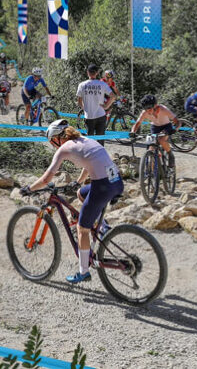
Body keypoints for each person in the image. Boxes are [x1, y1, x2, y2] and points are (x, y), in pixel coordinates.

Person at [20, 119, 123, 284]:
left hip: (103, 186)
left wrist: (29, 188)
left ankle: (83, 272)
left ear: (57, 138)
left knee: (83, 229)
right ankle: (102, 227)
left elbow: (46, 179)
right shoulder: (84, 140)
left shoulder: (64, 149)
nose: (53, 145)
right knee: (81, 194)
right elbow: (89, 163)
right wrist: (79, 181)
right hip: (117, 182)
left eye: (52, 142)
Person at [131, 95, 181, 170]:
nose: (148, 111)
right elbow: (137, 123)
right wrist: (132, 132)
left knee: (161, 140)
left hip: (166, 126)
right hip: (155, 127)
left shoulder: (163, 109)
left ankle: (170, 154)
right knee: (151, 148)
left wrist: (175, 129)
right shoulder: (144, 112)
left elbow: (177, 122)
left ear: (155, 106)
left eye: (149, 108)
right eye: (145, 108)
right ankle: (152, 172)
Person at [76, 64, 116, 145]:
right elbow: (113, 96)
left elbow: (79, 102)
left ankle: (90, 157)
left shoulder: (82, 85)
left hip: (89, 116)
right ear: (97, 73)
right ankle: (101, 157)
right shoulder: (102, 84)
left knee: (90, 141)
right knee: (100, 141)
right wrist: (106, 106)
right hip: (101, 114)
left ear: (87, 72)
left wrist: (84, 108)